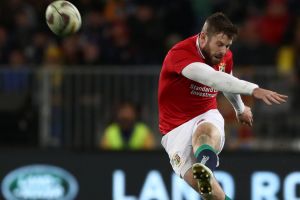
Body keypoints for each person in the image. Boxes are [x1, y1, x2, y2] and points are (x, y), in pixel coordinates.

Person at [158, 12, 288, 200]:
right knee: (210, 193)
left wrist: (240, 109)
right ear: (203, 38)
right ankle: (204, 173)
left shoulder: (225, 57)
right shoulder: (180, 54)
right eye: (219, 44)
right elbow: (214, 79)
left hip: (206, 114)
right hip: (174, 130)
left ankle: (204, 164)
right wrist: (254, 90)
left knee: (203, 133)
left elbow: (228, 80)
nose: (223, 51)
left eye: (227, 45)